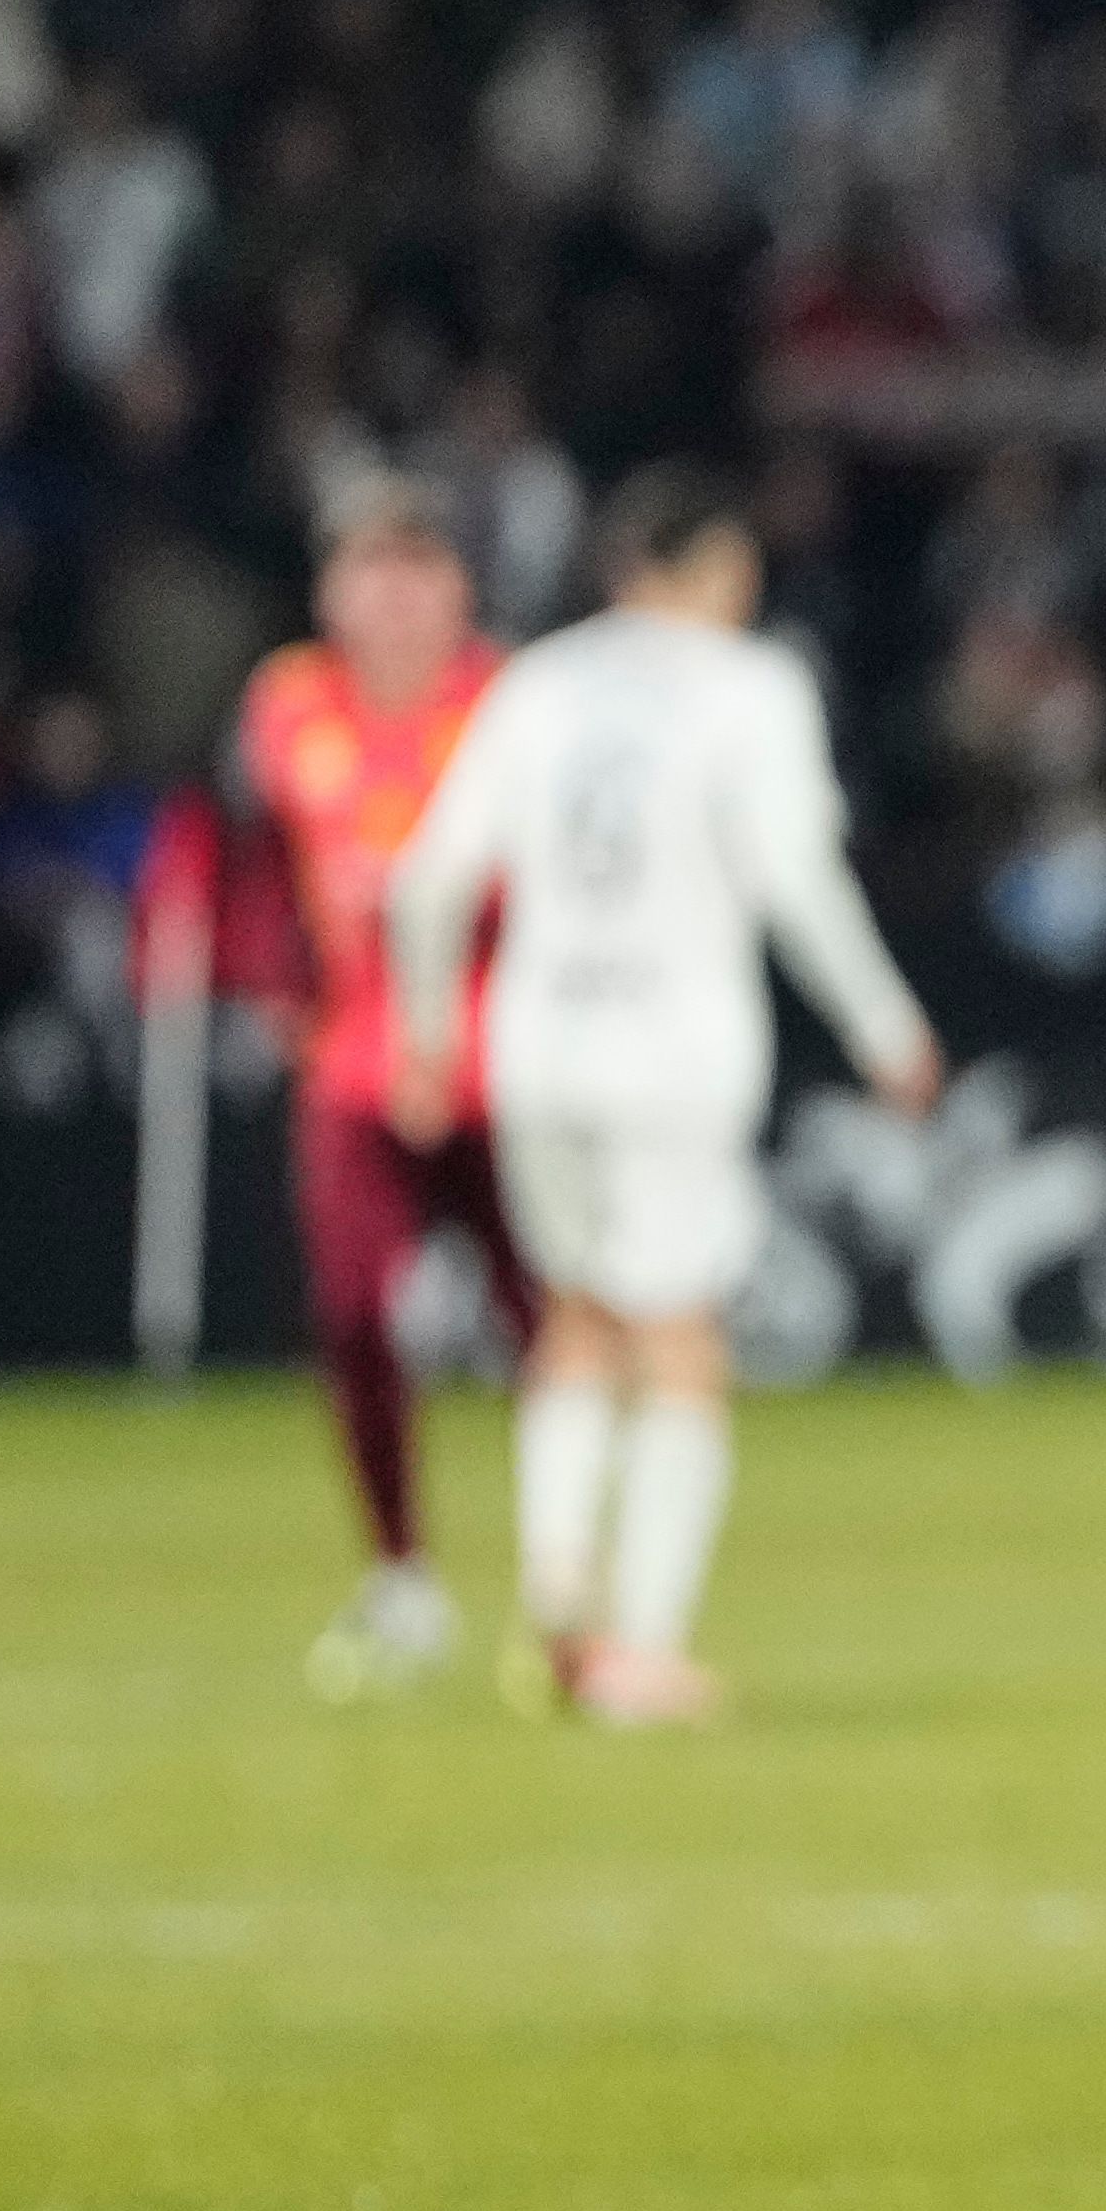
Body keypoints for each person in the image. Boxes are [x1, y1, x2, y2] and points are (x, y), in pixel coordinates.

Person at [379, 464, 946, 1724]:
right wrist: (886, 1026)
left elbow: (428, 880)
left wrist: (425, 1037)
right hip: (674, 1050)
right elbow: (795, 876)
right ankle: (639, 1648)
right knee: (681, 1334)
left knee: (575, 1320)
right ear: (720, 571)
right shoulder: (752, 686)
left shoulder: (537, 682)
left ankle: (558, 1584)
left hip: (538, 1047)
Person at [209, 475, 536, 1697]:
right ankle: (402, 1575)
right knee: (350, 1313)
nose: (394, 597)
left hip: (505, 1066)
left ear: (459, 588)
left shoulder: (509, 704)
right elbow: (253, 863)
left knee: (550, 1328)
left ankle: (578, 1580)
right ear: (330, 590)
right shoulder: (288, 705)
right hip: (355, 1063)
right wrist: (275, 990)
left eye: (417, 567)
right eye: (370, 568)